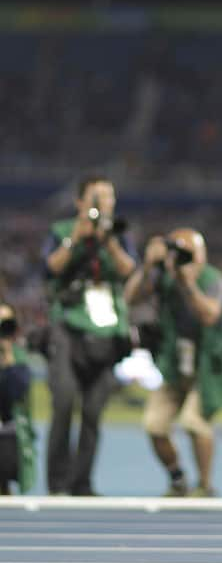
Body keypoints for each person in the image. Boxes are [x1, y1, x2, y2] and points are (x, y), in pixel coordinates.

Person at [42, 176, 136, 495]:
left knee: (94, 410)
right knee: (64, 400)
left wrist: (107, 239)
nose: (103, 202)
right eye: (96, 196)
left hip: (107, 328)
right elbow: (52, 267)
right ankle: (57, 483)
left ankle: (81, 482)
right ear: (80, 201)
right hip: (68, 324)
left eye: (109, 196)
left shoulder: (118, 234)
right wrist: (76, 237)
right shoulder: (61, 230)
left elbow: (126, 270)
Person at [124, 228, 222, 497]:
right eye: (178, 253)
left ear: (202, 256)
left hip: (207, 368)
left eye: (189, 254)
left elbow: (209, 315)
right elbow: (129, 298)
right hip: (174, 364)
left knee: (194, 422)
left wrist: (188, 284)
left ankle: (205, 485)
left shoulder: (214, 280)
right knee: (154, 424)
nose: (184, 260)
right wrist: (148, 265)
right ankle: (177, 478)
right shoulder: (165, 277)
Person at [0, 303, 35, 495]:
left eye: (5, 324)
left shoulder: (18, 357)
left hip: (6, 435)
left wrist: (7, 356)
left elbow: (17, 391)